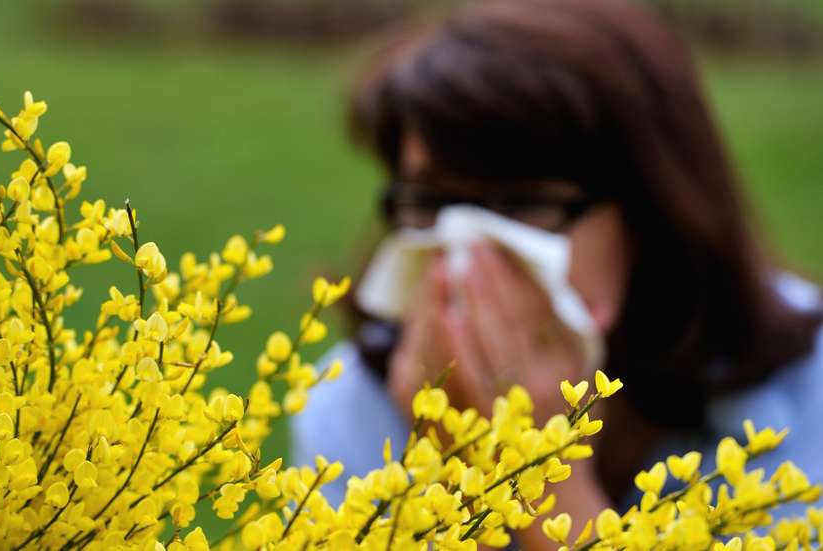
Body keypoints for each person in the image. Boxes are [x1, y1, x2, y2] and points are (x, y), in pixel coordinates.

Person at [292, 0, 823, 548]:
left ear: (652, 211)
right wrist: (441, 474)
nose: (470, 249)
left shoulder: (811, 395)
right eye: (431, 201)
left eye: (524, 203)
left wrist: (538, 474)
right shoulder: (355, 404)